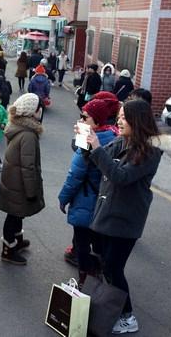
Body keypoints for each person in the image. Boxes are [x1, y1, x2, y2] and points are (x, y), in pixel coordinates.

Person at [82, 100, 171, 334]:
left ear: (137, 120)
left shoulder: (150, 150)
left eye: (124, 117)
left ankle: (127, 317)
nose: (119, 121)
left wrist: (96, 148)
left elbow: (121, 176)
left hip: (125, 217)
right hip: (108, 211)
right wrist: (85, 138)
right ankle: (110, 307)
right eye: (119, 116)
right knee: (105, 263)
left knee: (114, 267)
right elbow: (94, 159)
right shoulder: (123, 140)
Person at [58, 99, 120, 286]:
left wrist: (63, 198)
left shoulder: (89, 141)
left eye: (85, 117)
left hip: (85, 198)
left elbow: (75, 175)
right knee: (99, 241)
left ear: (97, 121)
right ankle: (101, 272)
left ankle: (85, 279)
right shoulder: (113, 136)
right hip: (104, 200)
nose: (80, 120)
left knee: (82, 243)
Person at [0, 93, 45, 265]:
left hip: (13, 180)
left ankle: (16, 241)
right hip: (20, 183)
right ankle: (8, 250)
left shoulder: (17, 126)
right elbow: (28, 166)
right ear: (33, 111)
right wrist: (32, 191)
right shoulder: (28, 135)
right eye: (40, 108)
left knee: (17, 214)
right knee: (14, 215)